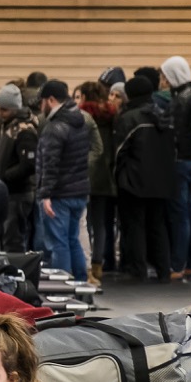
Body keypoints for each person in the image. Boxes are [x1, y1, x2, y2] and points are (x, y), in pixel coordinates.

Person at [113, 75, 175, 282]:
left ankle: (138, 270)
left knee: (135, 226)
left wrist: (118, 177)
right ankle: (164, 271)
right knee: (158, 226)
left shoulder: (129, 118)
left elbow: (118, 152)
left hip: (134, 182)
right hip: (163, 182)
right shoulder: (166, 116)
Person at [35, 79, 91, 281]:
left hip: (59, 194)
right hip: (79, 192)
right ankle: (81, 284)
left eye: (42, 101)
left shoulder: (54, 128)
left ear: (50, 100)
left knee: (58, 243)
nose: (40, 107)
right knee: (72, 240)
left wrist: (46, 194)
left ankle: (64, 287)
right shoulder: (80, 122)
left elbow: (50, 164)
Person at [161, 55, 191, 282]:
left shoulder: (181, 99)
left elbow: (174, 134)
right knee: (190, 213)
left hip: (178, 163)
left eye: (165, 75)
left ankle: (177, 265)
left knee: (180, 215)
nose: (163, 79)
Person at [75, 81, 118, 286]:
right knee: (100, 223)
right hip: (105, 176)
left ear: (83, 97)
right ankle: (98, 264)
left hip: (83, 174)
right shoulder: (112, 117)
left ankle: (86, 266)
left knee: (83, 223)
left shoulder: (80, 117)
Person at [0, 83, 39, 252]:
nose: (0, 113)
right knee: (6, 237)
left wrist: (3, 176)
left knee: (13, 240)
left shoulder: (24, 130)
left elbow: (29, 164)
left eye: (4, 110)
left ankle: (15, 274)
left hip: (17, 194)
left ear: (14, 108)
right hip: (8, 192)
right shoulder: (9, 126)